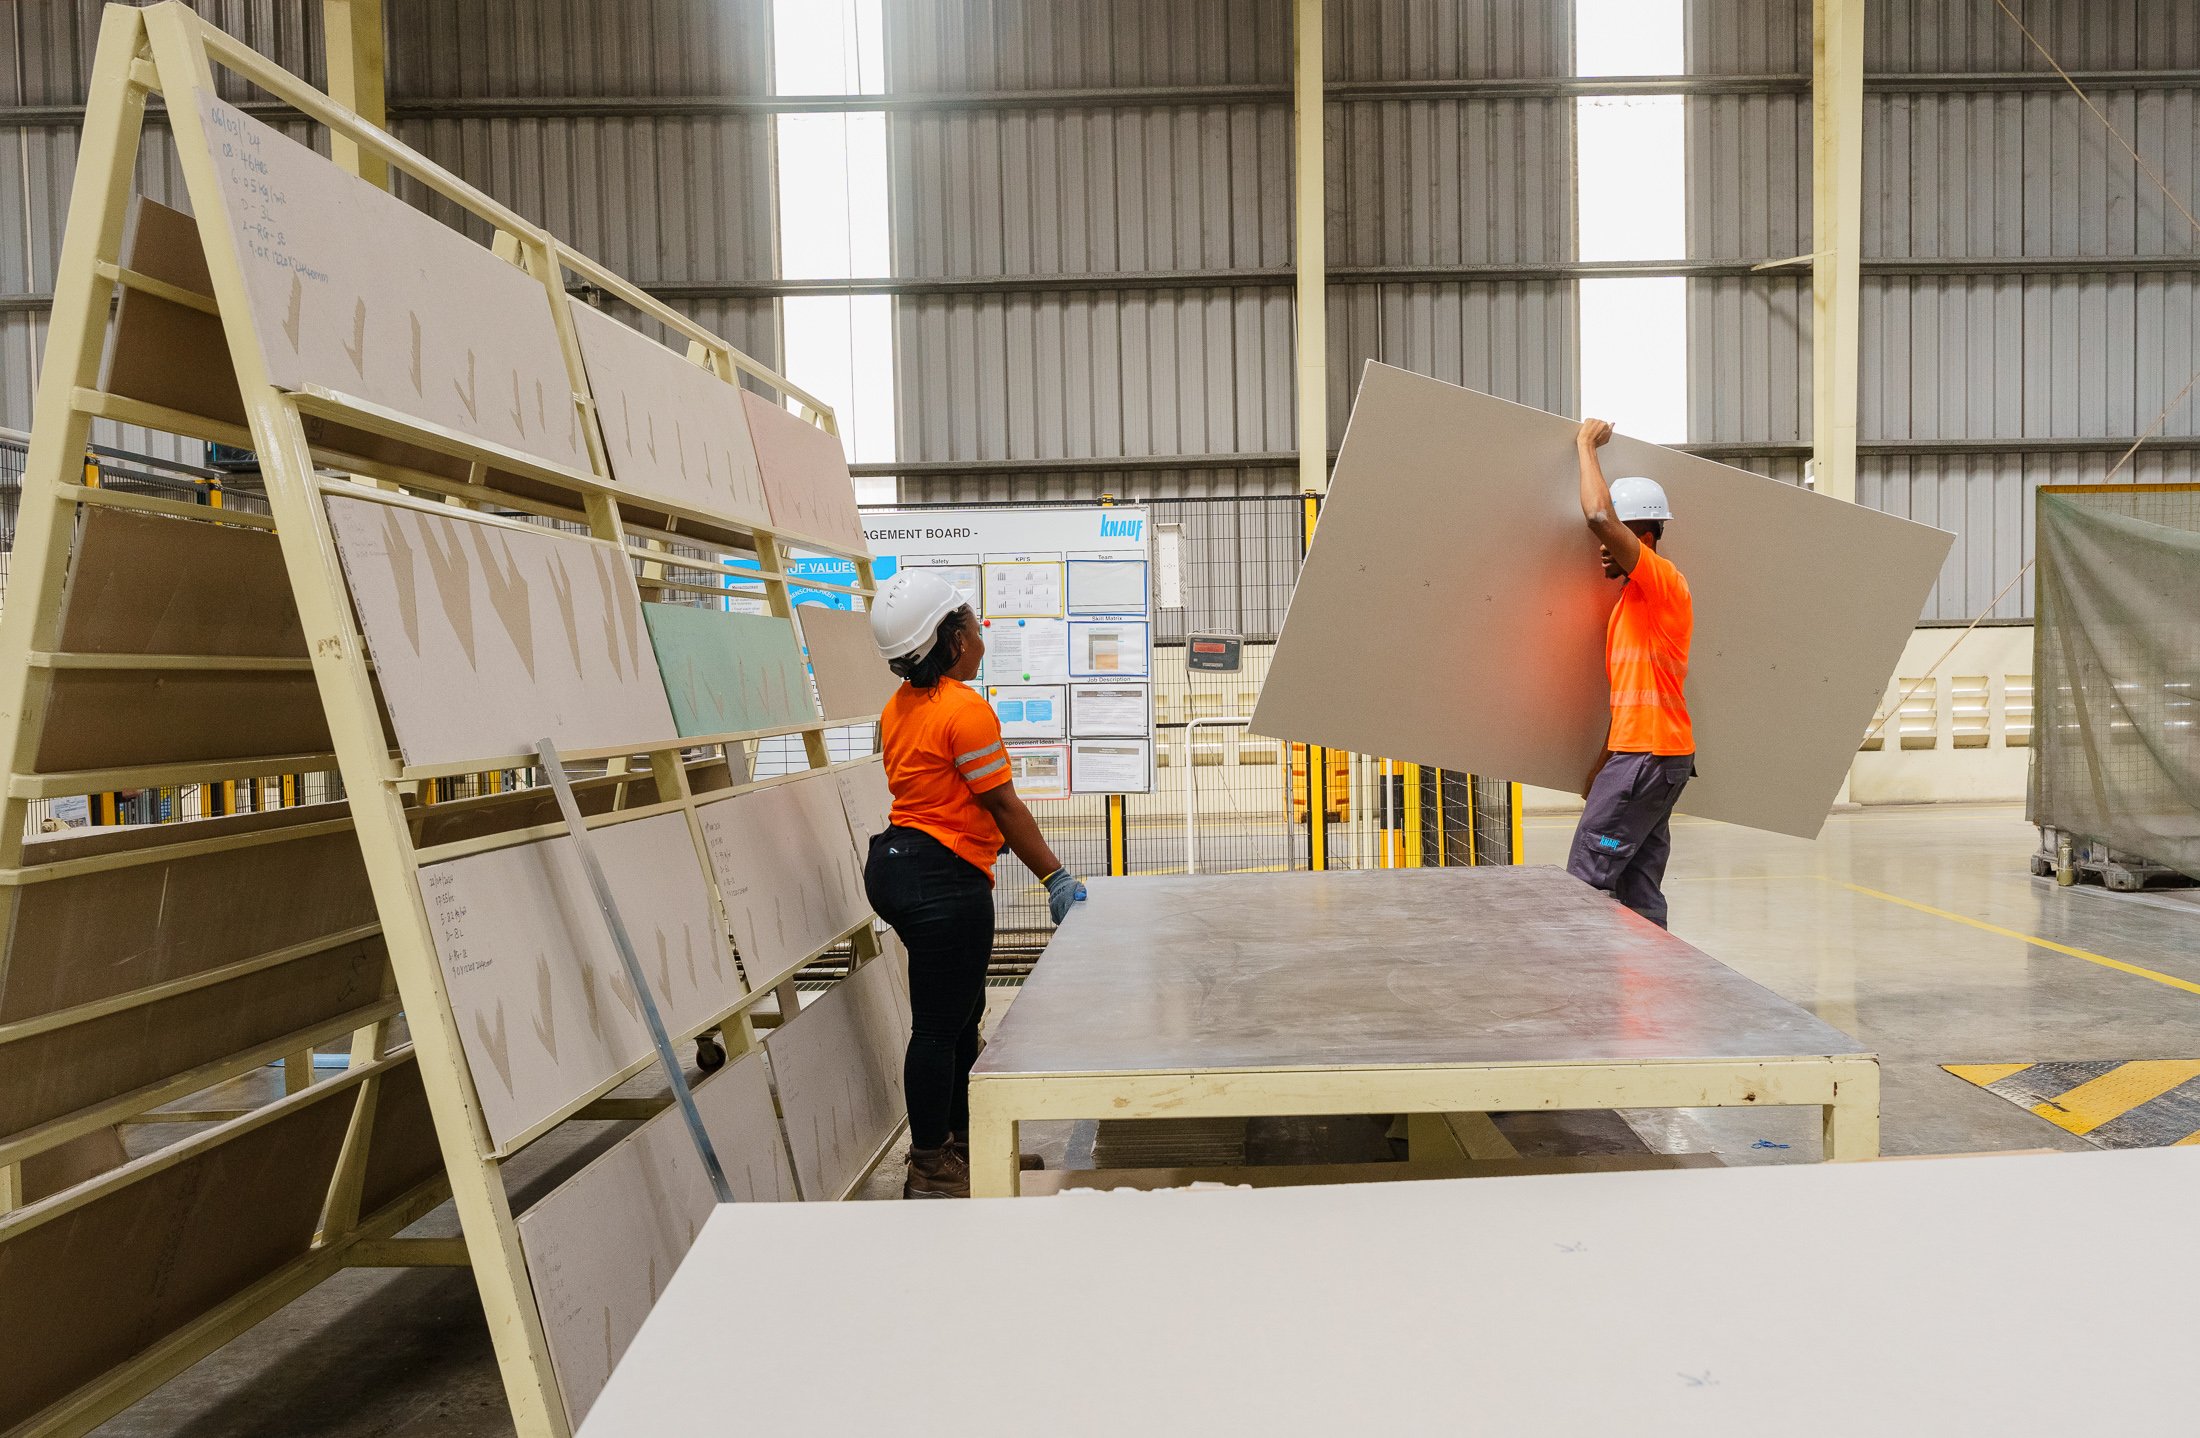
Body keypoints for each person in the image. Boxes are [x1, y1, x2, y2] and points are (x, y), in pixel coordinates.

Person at [864, 570, 1088, 1199]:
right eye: (968, 616)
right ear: (954, 639)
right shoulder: (964, 711)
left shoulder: (900, 707)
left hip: (901, 864)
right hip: (943, 878)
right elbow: (1004, 807)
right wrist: (1055, 875)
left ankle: (967, 1150)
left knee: (961, 1020)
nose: (979, 625)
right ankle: (931, 1166)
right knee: (939, 1028)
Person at [1567, 418, 1696, 929]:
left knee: (1585, 877)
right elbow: (1632, 699)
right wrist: (1603, 764)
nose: (1600, 546)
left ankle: (1590, 994)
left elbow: (1598, 515)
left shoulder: (1662, 583)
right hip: (1651, 756)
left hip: (1648, 759)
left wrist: (1584, 445)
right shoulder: (1629, 607)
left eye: (1615, 538)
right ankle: (1649, 993)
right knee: (1637, 885)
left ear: (1640, 536)